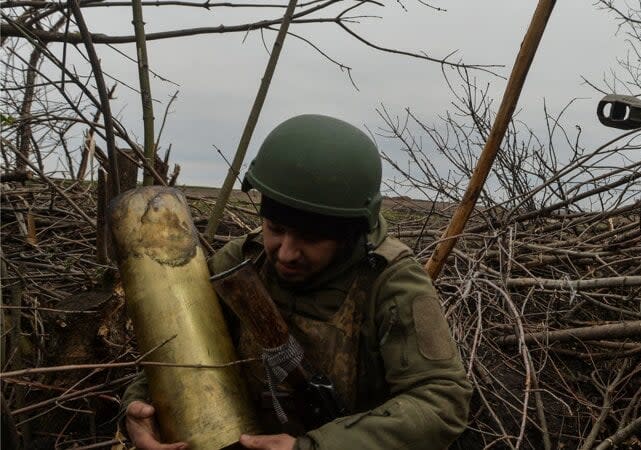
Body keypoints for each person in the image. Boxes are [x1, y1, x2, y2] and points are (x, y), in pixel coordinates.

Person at [121, 114, 473, 449]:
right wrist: (141, 404)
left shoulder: (391, 282)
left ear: (350, 233)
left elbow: (442, 401)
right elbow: (179, 350)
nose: (286, 253)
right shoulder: (239, 263)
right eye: (275, 228)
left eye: (311, 238)